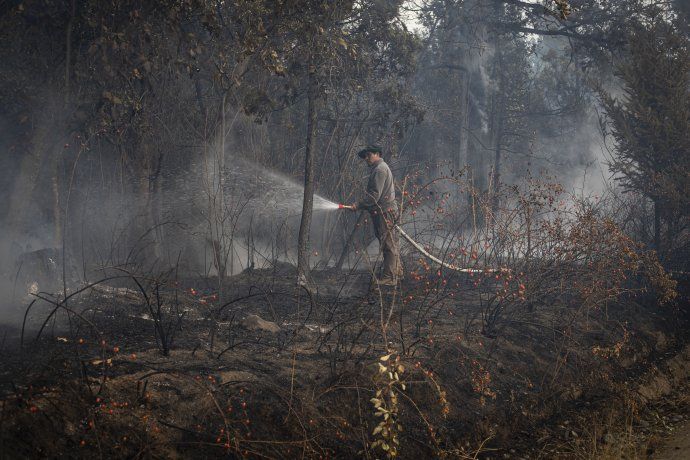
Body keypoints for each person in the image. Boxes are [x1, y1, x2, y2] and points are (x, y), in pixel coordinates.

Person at [350, 146, 403, 285]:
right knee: (391, 242)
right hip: (386, 211)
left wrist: (358, 205)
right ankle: (397, 271)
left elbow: (374, 196)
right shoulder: (381, 168)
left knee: (388, 244)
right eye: (365, 157)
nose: (366, 159)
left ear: (377, 154)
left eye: (368, 155)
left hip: (384, 212)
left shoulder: (380, 170)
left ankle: (390, 278)